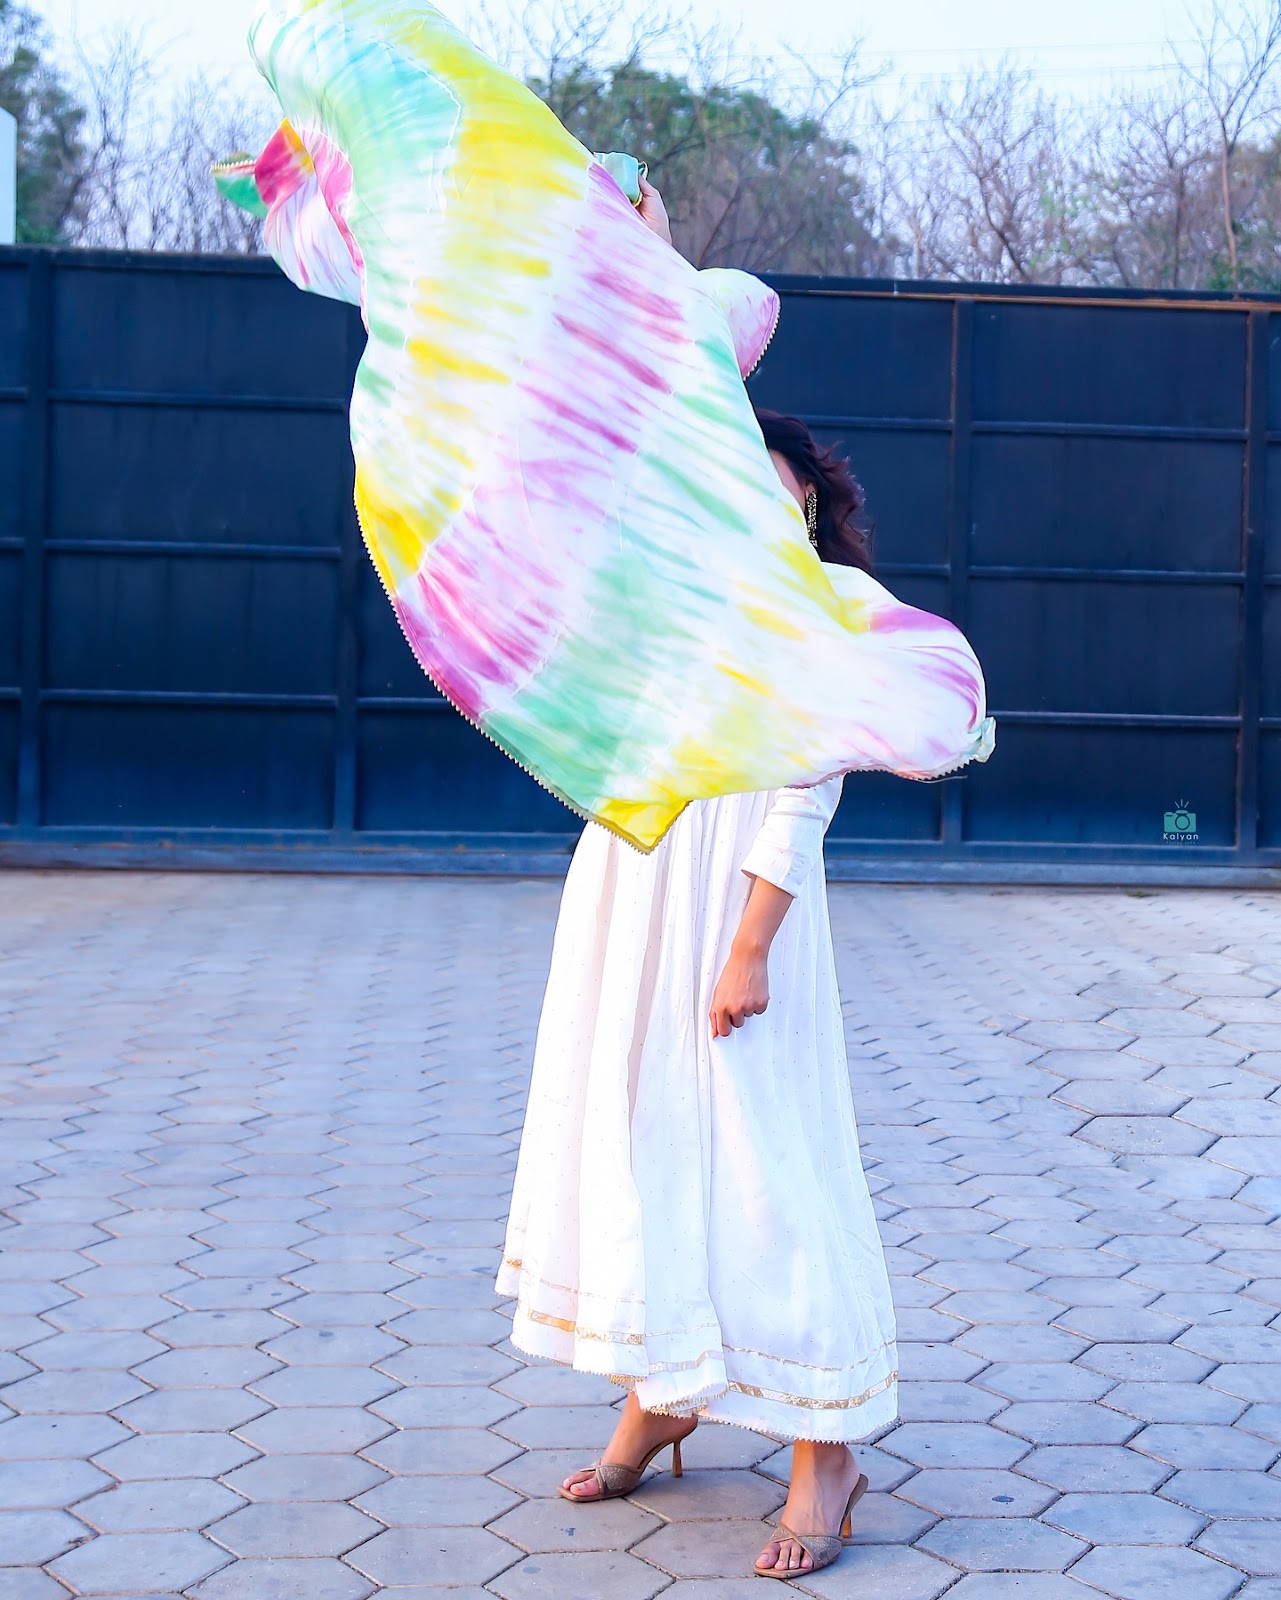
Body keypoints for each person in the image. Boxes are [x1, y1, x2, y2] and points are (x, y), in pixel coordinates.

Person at [496, 175, 899, 1583]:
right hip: (632, 893)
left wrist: (749, 946)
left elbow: (806, 792)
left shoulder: (828, 612)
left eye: (771, 481)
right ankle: (662, 1389)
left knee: (764, 1160)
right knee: (639, 1137)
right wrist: (645, 265)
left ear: (808, 503)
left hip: (739, 908)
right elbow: (637, 424)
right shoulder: (667, 599)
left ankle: (824, 1447)